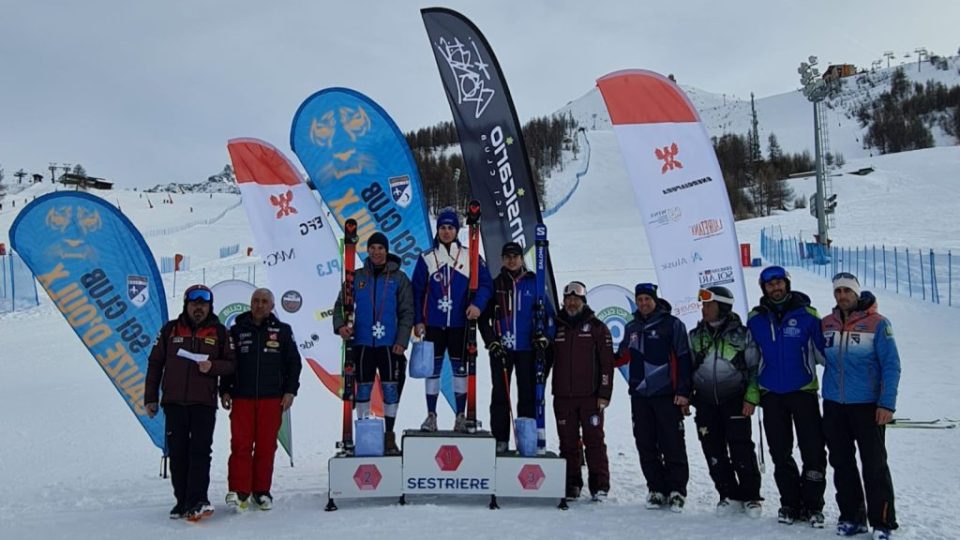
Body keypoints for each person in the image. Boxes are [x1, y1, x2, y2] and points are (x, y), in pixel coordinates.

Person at [144, 284, 235, 521]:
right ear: (186, 305)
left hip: (203, 403)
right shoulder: (170, 330)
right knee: (178, 453)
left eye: (203, 305)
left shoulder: (220, 332)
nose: (198, 308)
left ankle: (198, 500)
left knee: (201, 452)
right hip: (173, 402)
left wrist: (213, 367)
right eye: (194, 304)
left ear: (209, 307)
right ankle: (182, 501)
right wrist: (151, 398)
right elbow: (155, 364)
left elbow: (232, 364)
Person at [821, 273, 900, 539]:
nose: (842, 296)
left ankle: (883, 522)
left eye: (847, 291)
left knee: (874, 465)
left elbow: (891, 366)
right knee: (842, 463)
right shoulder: (827, 323)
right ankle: (852, 517)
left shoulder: (877, 324)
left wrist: (887, 404)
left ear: (856, 293)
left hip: (867, 405)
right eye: (837, 291)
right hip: (834, 404)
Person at [747, 265, 827, 527]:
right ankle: (790, 503)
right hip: (771, 394)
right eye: (770, 285)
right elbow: (751, 360)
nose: (776, 288)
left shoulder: (808, 315)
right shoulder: (756, 319)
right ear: (764, 288)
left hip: (803, 391)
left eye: (780, 283)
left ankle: (814, 505)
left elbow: (827, 356)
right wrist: (752, 393)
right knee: (780, 452)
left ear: (787, 284)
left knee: (813, 450)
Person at [220, 288, 302, 511]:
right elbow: (228, 363)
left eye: (264, 301)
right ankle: (240, 491)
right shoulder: (236, 331)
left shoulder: (283, 331)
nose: (259, 305)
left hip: (271, 399)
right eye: (255, 301)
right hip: (242, 398)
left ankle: (261, 491)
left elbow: (294, 364)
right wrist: (225, 390)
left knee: (266, 447)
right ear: (250, 304)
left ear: (272, 306)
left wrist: (290, 391)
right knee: (241, 446)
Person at [412, 207, 492, 432]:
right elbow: (416, 291)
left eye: (450, 228)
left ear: (457, 230)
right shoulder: (427, 257)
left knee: (460, 369)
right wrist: (418, 319)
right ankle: (431, 415)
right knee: (433, 370)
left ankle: (460, 415)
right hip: (433, 324)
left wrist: (477, 305)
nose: (446, 232)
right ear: (437, 231)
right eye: (442, 228)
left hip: (460, 324)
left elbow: (486, 285)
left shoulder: (470, 256)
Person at [334, 232, 414, 453]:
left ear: (386, 251)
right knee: (363, 390)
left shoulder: (399, 278)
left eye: (381, 248)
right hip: (362, 342)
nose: (376, 252)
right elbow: (341, 305)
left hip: (390, 344)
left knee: (390, 390)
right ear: (367, 250)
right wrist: (341, 325)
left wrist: (402, 340)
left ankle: (389, 435)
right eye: (373, 248)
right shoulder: (356, 277)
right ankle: (363, 433)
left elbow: (407, 311)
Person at [617, 282, 692, 513]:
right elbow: (621, 357)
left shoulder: (671, 324)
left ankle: (677, 490)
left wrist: (683, 392)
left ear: (655, 300)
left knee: (672, 443)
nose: (643, 304)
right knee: (645, 442)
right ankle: (656, 488)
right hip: (640, 395)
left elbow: (684, 358)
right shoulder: (631, 328)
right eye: (639, 300)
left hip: (666, 394)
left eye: (647, 299)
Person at [689, 286, 763, 518]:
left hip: (735, 401)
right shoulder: (695, 335)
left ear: (723, 307)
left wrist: (751, 397)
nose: (704, 309)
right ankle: (728, 494)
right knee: (713, 450)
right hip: (705, 403)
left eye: (709, 305)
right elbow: (687, 369)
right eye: (703, 305)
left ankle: (751, 496)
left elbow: (754, 368)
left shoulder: (742, 335)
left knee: (741, 448)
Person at [479, 241, 553, 454]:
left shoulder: (534, 283)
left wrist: (545, 338)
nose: (512, 260)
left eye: (515, 256)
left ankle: (526, 439)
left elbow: (549, 316)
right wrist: (491, 341)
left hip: (527, 349)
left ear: (521, 258)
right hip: (502, 349)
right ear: (502, 259)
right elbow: (484, 320)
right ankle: (501, 439)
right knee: (501, 394)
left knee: (527, 395)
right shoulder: (496, 284)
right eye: (507, 256)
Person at [547, 281, 613, 501]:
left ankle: (600, 485)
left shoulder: (597, 327)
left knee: (594, 440)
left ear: (583, 302)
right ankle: (572, 483)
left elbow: (607, 364)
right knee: (568, 441)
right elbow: (547, 359)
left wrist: (604, 393)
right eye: (568, 299)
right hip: (563, 396)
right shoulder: (556, 326)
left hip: (590, 397)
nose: (572, 302)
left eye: (576, 299)